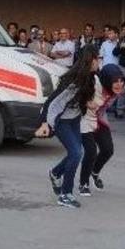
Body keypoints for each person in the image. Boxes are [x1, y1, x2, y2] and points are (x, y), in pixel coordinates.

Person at [35, 45, 101, 208]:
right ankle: (65, 194)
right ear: (89, 60)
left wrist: (87, 103)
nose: (99, 61)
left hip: (74, 119)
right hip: (60, 120)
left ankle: (56, 173)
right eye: (97, 58)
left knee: (76, 153)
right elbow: (51, 101)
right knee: (76, 153)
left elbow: (79, 98)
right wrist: (44, 122)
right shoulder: (73, 80)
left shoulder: (90, 77)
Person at [78, 64, 125, 196]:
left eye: (121, 80)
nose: (119, 84)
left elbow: (104, 105)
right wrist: (84, 102)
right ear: (106, 79)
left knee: (108, 149)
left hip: (99, 118)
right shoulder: (93, 83)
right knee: (91, 152)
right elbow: (75, 91)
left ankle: (95, 171)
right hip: (84, 119)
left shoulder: (120, 87)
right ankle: (83, 183)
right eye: (115, 81)